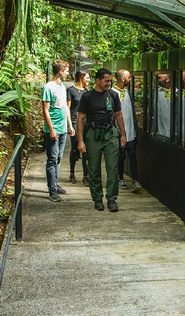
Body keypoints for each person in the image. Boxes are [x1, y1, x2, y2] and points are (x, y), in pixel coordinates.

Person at [77, 68, 127, 212]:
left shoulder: (112, 95)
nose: (109, 83)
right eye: (106, 81)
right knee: (93, 168)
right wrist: (80, 141)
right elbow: (80, 118)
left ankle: (111, 199)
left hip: (110, 133)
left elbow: (118, 115)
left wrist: (123, 135)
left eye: (110, 80)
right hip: (93, 134)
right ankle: (97, 198)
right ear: (97, 80)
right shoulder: (87, 97)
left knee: (113, 167)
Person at [42, 60, 75, 202]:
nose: (68, 73)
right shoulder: (48, 87)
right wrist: (51, 129)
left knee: (59, 157)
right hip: (53, 129)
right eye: (66, 71)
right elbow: (45, 110)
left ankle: (55, 183)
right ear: (60, 71)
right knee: (52, 159)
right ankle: (52, 189)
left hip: (62, 129)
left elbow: (65, 108)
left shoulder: (62, 87)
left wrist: (70, 125)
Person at [112, 69, 142, 193]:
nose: (130, 80)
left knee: (132, 155)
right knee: (121, 156)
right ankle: (120, 178)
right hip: (118, 132)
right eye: (129, 78)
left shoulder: (128, 92)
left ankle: (135, 180)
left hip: (130, 131)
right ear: (123, 79)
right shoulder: (112, 93)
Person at [66, 70, 90, 184]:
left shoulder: (87, 91)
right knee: (75, 148)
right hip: (75, 121)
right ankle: (72, 173)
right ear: (81, 78)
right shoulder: (71, 90)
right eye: (87, 78)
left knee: (85, 149)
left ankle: (86, 175)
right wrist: (70, 125)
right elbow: (68, 108)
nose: (89, 80)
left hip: (85, 122)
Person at [155, 73, 171, 138]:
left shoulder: (176, 93)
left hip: (171, 131)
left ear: (167, 79)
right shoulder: (157, 92)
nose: (157, 80)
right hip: (159, 131)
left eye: (159, 78)